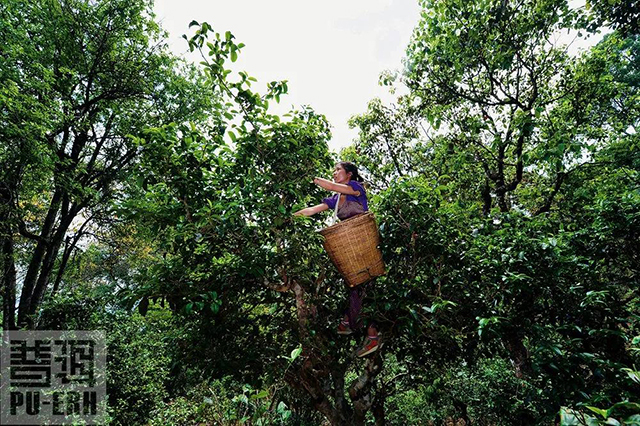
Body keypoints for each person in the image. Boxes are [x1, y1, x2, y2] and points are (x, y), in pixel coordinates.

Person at [294, 161, 380, 357]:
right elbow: (312, 210)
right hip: (349, 248)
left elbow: (333, 186)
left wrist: (311, 178)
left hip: (364, 244)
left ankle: (366, 331)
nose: (334, 173)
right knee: (355, 285)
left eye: (337, 170)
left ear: (348, 174)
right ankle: (357, 326)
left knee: (364, 286)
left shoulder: (356, 188)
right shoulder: (335, 199)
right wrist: (292, 217)